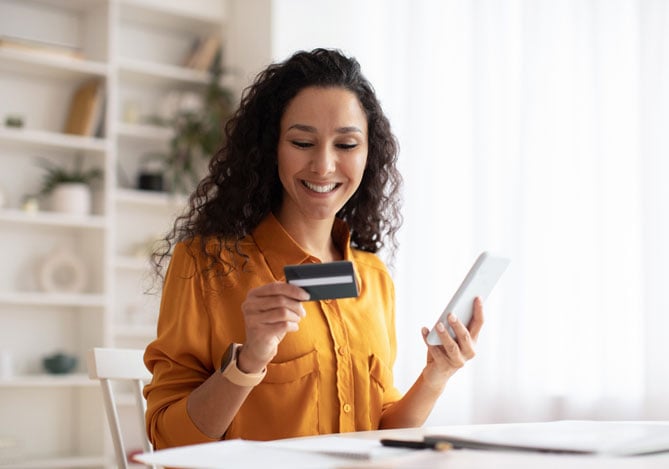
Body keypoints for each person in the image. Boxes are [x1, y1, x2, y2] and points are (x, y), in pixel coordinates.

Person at [143, 48, 483, 449]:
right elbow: (169, 440)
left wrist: (435, 375)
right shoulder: (206, 266)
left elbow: (379, 433)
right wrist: (249, 360)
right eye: (303, 142)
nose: (323, 165)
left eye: (346, 145)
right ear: (271, 148)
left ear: (368, 154)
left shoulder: (373, 277)